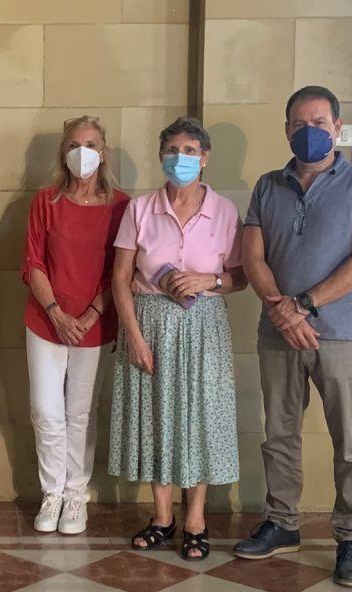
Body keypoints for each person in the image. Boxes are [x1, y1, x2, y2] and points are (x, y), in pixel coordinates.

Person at [235, 86, 352, 588]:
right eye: (300, 123)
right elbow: (253, 257)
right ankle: (282, 523)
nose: (311, 131)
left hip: (340, 335)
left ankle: (350, 535)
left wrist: (303, 306)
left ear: (337, 127)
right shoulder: (267, 185)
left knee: (350, 441)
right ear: (286, 129)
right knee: (279, 435)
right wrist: (283, 314)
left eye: (320, 122)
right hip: (278, 334)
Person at [108, 117, 247, 561]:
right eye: (172, 150)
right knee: (157, 416)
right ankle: (162, 517)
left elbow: (241, 276)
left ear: (205, 158)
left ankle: (196, 519)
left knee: (200, 417)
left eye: (190, 151)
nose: (180, 159)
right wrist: (134, 336)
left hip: (204, 325)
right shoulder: (140, 210)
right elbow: (120, 277)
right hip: (149, 320)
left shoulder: (224, 211)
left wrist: (210, 279)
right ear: (161, 157)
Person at [21, 116, 129, 534]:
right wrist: (57, 314)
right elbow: (32, 263)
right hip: (46, 320)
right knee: (46, 411)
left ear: (103, 152)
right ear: (63, 153)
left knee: (79, 414)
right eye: (74, 144)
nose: (81, 151)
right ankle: (51, 492)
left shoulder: (121, 206)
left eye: (90, 143)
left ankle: (75, 495)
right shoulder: (44, 202)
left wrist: (87, 317)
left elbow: (121, 271)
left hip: (95, 325)